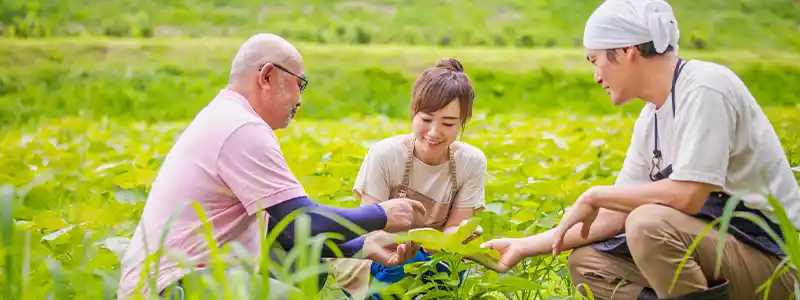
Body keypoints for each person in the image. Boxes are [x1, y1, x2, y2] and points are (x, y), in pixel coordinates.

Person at [480, 0, 800, 299]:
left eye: (596, 60)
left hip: (776, 259)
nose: (596, 76)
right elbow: (613, 217)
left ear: (628, 50)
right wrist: (523, 246)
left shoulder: (706, 88)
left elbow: (689, 195)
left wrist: (594, 195)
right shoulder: (652, 119)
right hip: (725, 248)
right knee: (589, 264)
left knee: (647, 223)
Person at [116, 33, 429, 300]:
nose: (299, 100)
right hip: (171, 284)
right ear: (267, 76)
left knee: (309, 265)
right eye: (299, 84)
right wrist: (383, 215)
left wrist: (364, 244)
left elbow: (288, 233)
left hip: (174, 277)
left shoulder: (227, 117)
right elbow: (300, 221)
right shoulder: (240, 128)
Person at [327, 58, 488, 299]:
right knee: (395, 272)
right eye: (425, 120)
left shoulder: (471, 161)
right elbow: (370, 227)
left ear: (463, 123)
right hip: (382, 255)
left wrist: (462, 232)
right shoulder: (386, 154)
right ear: (413, 113)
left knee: (444, 269)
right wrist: (410, 245)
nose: (434, 132)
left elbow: (454, 229)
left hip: (434, 258)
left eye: (448, 123)